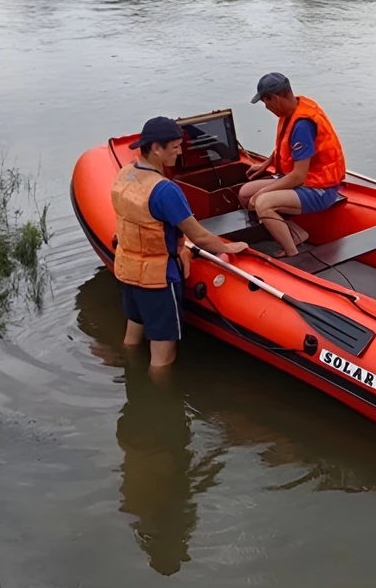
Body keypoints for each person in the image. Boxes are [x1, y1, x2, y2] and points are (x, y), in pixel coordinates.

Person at [111, 116, 247, 373]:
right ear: (155, 148)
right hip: (158, 277)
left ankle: (127, 372)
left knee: (132, 333)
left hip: (128, 268)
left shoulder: (125, 174)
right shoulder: (165, 190)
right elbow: (200, 237)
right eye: (174, 147)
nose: (180, 151)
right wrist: (229, 248)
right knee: (163, 353)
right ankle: (160, 401)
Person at [237, 72, 347, 257]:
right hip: (303, 181)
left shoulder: (302, 125)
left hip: (319, 188)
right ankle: (296, 234)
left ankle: (292, 253)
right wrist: (266, 164)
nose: (266, 107)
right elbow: (286, 144)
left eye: (266, 102)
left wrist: (263, 193)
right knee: (245, 194)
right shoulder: (294, 109)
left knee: (262, 202)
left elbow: (298, 176)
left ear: (276, 99)